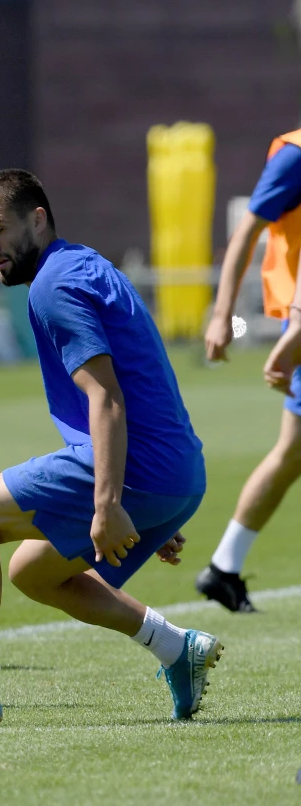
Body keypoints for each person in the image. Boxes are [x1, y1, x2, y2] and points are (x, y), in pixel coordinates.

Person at [0, 169, 219, 729]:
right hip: (176, 471)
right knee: (34, 573)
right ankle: (176, 649)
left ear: (37, 219)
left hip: (140, 467)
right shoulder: (86, 263)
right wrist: (149, 505)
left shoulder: (53, 286)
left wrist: (110, 502)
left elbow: (108, 400)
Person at [196, 129, 301, 612]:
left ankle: (223, 567)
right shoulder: (295, 156)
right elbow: (248, 231)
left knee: (291, 453)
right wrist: (222, 314)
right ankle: (223, 566)